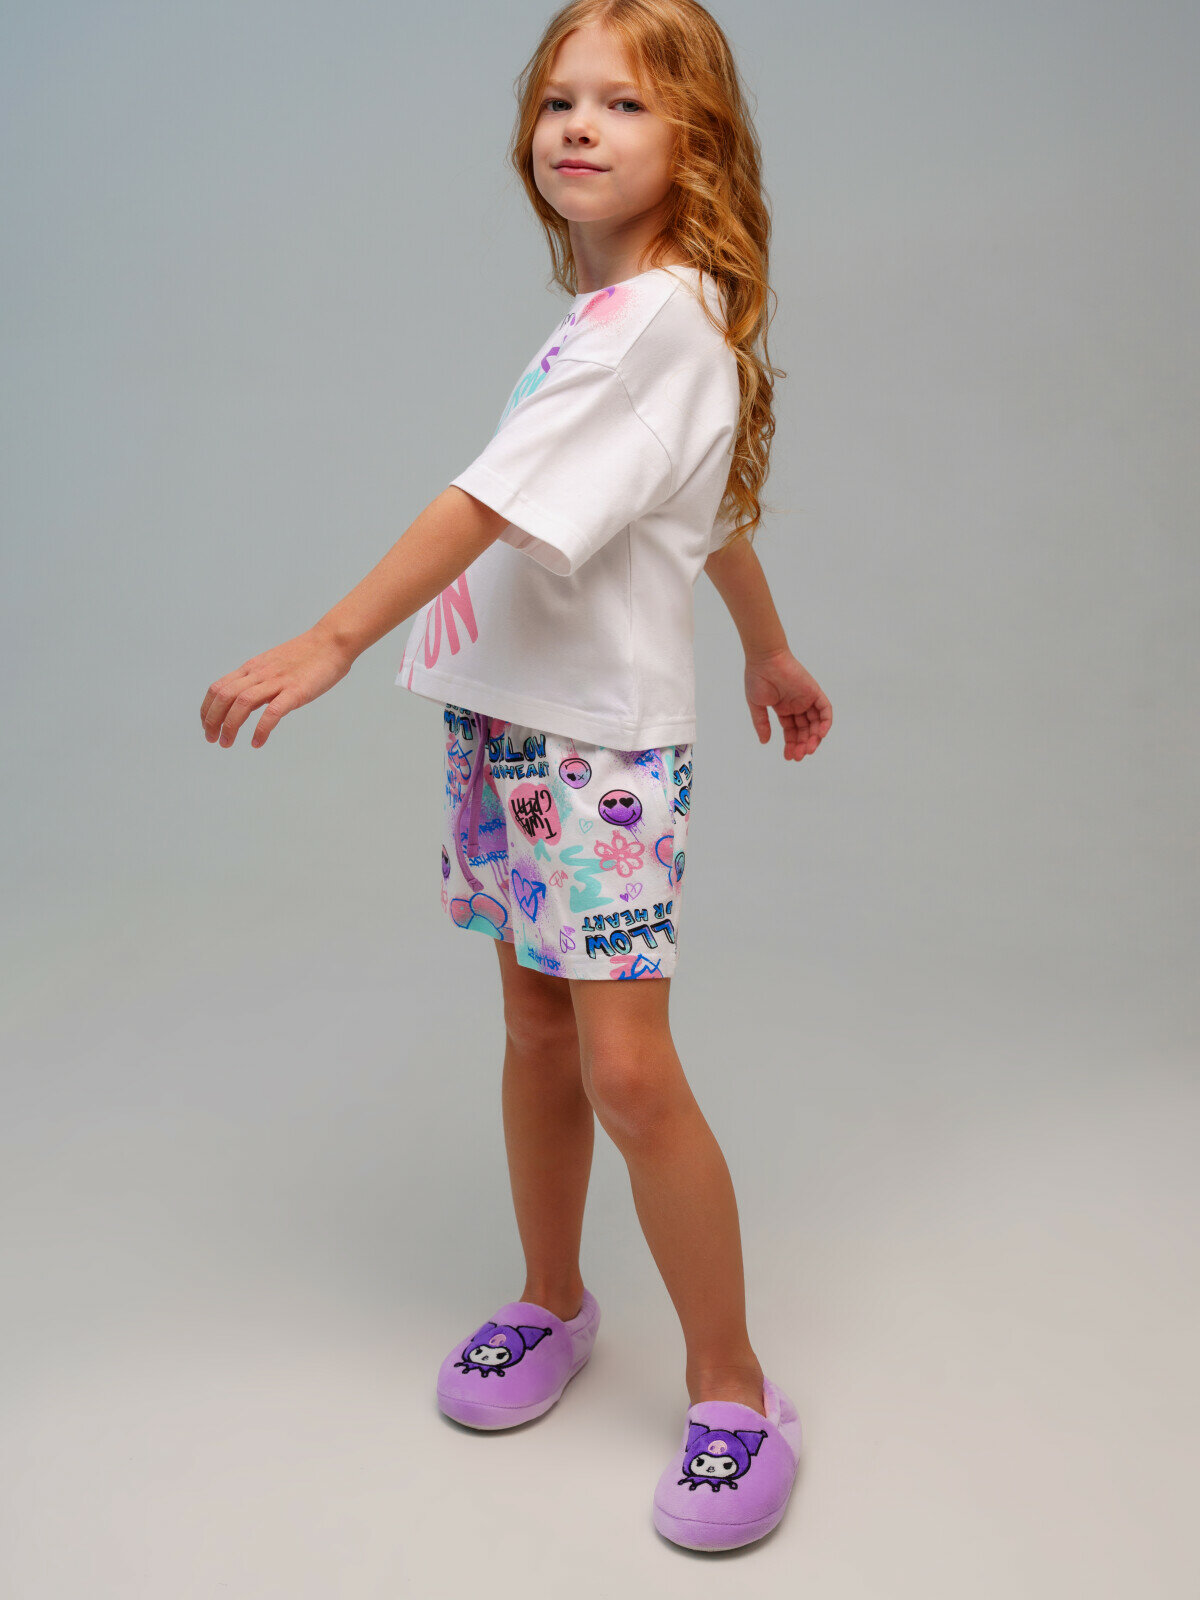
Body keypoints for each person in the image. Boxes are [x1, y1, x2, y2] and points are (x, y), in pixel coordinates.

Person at [200, 0, 832, 1554]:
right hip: (507, 720)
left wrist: (334, 636)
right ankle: (553, 1300)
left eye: (624, 102)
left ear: (698, 141)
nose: (579, 127)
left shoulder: (655, 323)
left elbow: (486, 501)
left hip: (599, 748)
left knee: (628, 1072)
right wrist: (769, 647)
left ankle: (736, 1388)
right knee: (535, 1031)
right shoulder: (619, 317)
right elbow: (704, 515)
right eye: (559, 100)